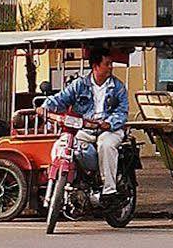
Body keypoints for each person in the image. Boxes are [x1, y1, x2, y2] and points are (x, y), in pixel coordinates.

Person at [41, 45, 129, 200]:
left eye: (111, 64)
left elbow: (122, 112)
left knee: (106, 145)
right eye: (107, 64)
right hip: (85, 129)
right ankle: (70, 182)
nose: (110, 68)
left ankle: (109, 189)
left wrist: (109, 123)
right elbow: (61, 98)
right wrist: (44, 108)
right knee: (62, 145)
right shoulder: (79, 84)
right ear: (95, 66)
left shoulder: (118, 87)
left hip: (110, 130)